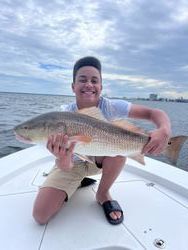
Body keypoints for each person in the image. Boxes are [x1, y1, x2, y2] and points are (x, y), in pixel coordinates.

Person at [33, 56, 171, 225]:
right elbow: (65, 166)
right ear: (73, 87)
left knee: (118, 151)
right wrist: (62, 158)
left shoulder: (111, 106)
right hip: (72, 163)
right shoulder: (64, 115)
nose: (89, 85)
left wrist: (164, 130)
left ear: (101, 87)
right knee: (40, 216)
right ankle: (79, 180)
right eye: (82, 80)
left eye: (94, 80)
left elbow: (153, 113)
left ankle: (103, 193)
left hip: (102, 160)